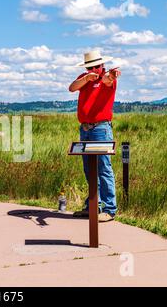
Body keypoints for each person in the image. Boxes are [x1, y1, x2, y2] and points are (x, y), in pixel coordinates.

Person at [68, 50, 122, 222]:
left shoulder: (106, 78)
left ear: (102, 66)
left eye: (96, 66)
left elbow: (108, 79)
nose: (94, 69)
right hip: (85, 129)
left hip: (100, 128)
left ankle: (109, 208)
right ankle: (93, 205)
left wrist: (112, 74)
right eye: (90, 66)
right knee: (89, 168)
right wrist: (86, 78)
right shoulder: (84, 78)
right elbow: (72, 87)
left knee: (103, 168)